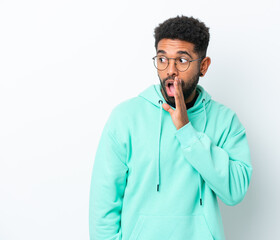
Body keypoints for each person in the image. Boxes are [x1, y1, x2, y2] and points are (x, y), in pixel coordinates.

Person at [89, 15, 252, 240]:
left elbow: (235, 191)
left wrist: (187, 131)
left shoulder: (225, 121)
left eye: (182, 60)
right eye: (162, 59)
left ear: (203, 66)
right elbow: (103, 205)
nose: (170, 70)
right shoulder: (125, 117)